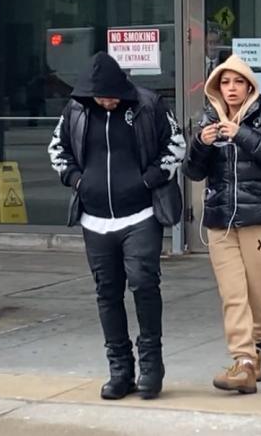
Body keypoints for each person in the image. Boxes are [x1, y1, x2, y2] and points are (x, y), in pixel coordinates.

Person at [47, 52, 185, 400]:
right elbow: (57, 149)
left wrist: (149, 180)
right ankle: (120, 370)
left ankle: (151, 367)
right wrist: (76, 180)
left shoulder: (148, 105)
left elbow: (176, 144)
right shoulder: (76, 111)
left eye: (111, 95)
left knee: (144, 286)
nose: (106, 100)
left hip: (140, 215)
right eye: (99, 96)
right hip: (94, 220)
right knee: (107, 293)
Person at [183, 54, 261, 395]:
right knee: (233, 294)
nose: (231, 89)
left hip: (259, 219)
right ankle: (243, 361)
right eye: (225, 83)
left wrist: (242, 134)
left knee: (258, 291)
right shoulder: (207, 119)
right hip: (220, 221)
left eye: (238, 82)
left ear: (249, 86)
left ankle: (258, 348)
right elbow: (193, 172)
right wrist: (200, 144)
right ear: (217, 87)